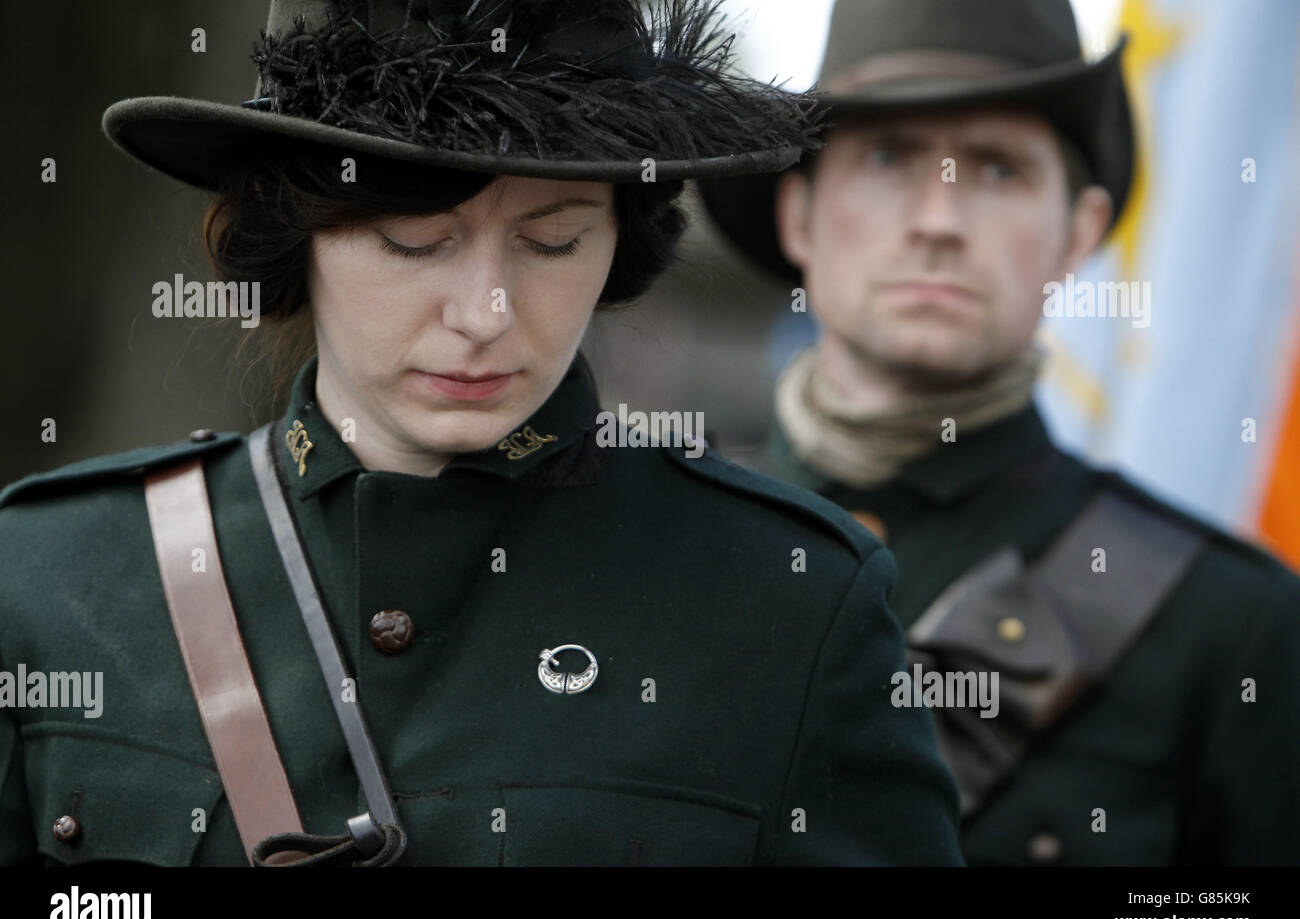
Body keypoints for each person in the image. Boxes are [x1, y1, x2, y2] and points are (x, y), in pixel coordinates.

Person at [0, 0, 963, 866]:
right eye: (415, 239)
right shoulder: (52, 577)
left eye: (554, 240)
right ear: (294, 232)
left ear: (624, 239)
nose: (486, 312)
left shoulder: (792, 609)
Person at [700, 0, 1300, 865]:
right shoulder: (640, 554)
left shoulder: (1236, 626)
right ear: (799, 215)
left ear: (1080, 235)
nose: (939, 220)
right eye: (886, 156)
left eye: (997, 169)